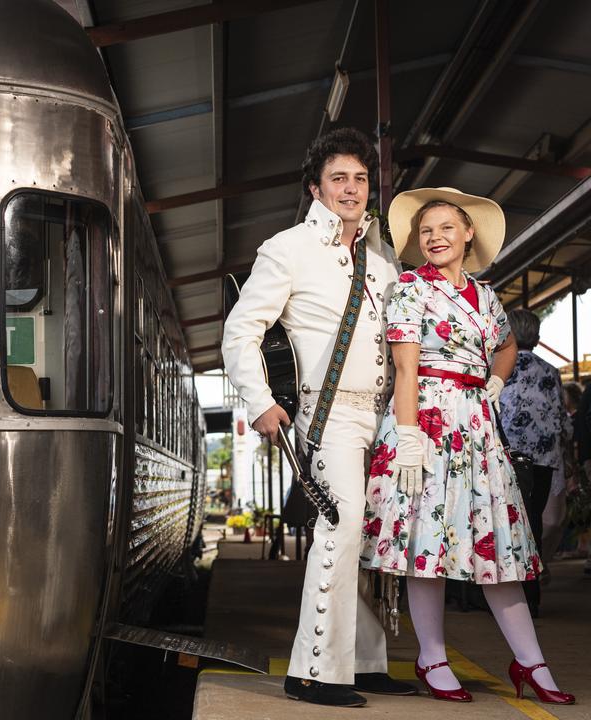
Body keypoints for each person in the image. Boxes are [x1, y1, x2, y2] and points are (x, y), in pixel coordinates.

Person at [360, 187, 574, 705]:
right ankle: (432, 655)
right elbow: (407, 368)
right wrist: (407, 437)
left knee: (496, 544)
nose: (434, 238)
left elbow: (506, 346)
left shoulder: (485, 294)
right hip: (427, 420)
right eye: (426, 231)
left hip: (475, 424)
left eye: (445, 228)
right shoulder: (410, 288)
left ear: (468, 234)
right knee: (427, 544)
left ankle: (531, 662)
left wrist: (495, 383)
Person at [223, 128, 412, 707]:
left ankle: (366, 661)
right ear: (316, 187)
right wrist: (260, 402)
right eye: (339, 179)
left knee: (368, 537)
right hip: (324, 417)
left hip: (379, 420)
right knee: (341, 525)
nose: (350, 189)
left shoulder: (384, 262)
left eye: (359, 179)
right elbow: (239, 331)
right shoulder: (287, 249)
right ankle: (312, 671)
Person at [498, 308, 561, 613]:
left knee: (507, 521)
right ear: (536, 335)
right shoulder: (551, 372)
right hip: (544, 458)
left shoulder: (501, 366)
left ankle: (509, 597)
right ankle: (531, 596)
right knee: (533, 521)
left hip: (508, 456)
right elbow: (560, 419)